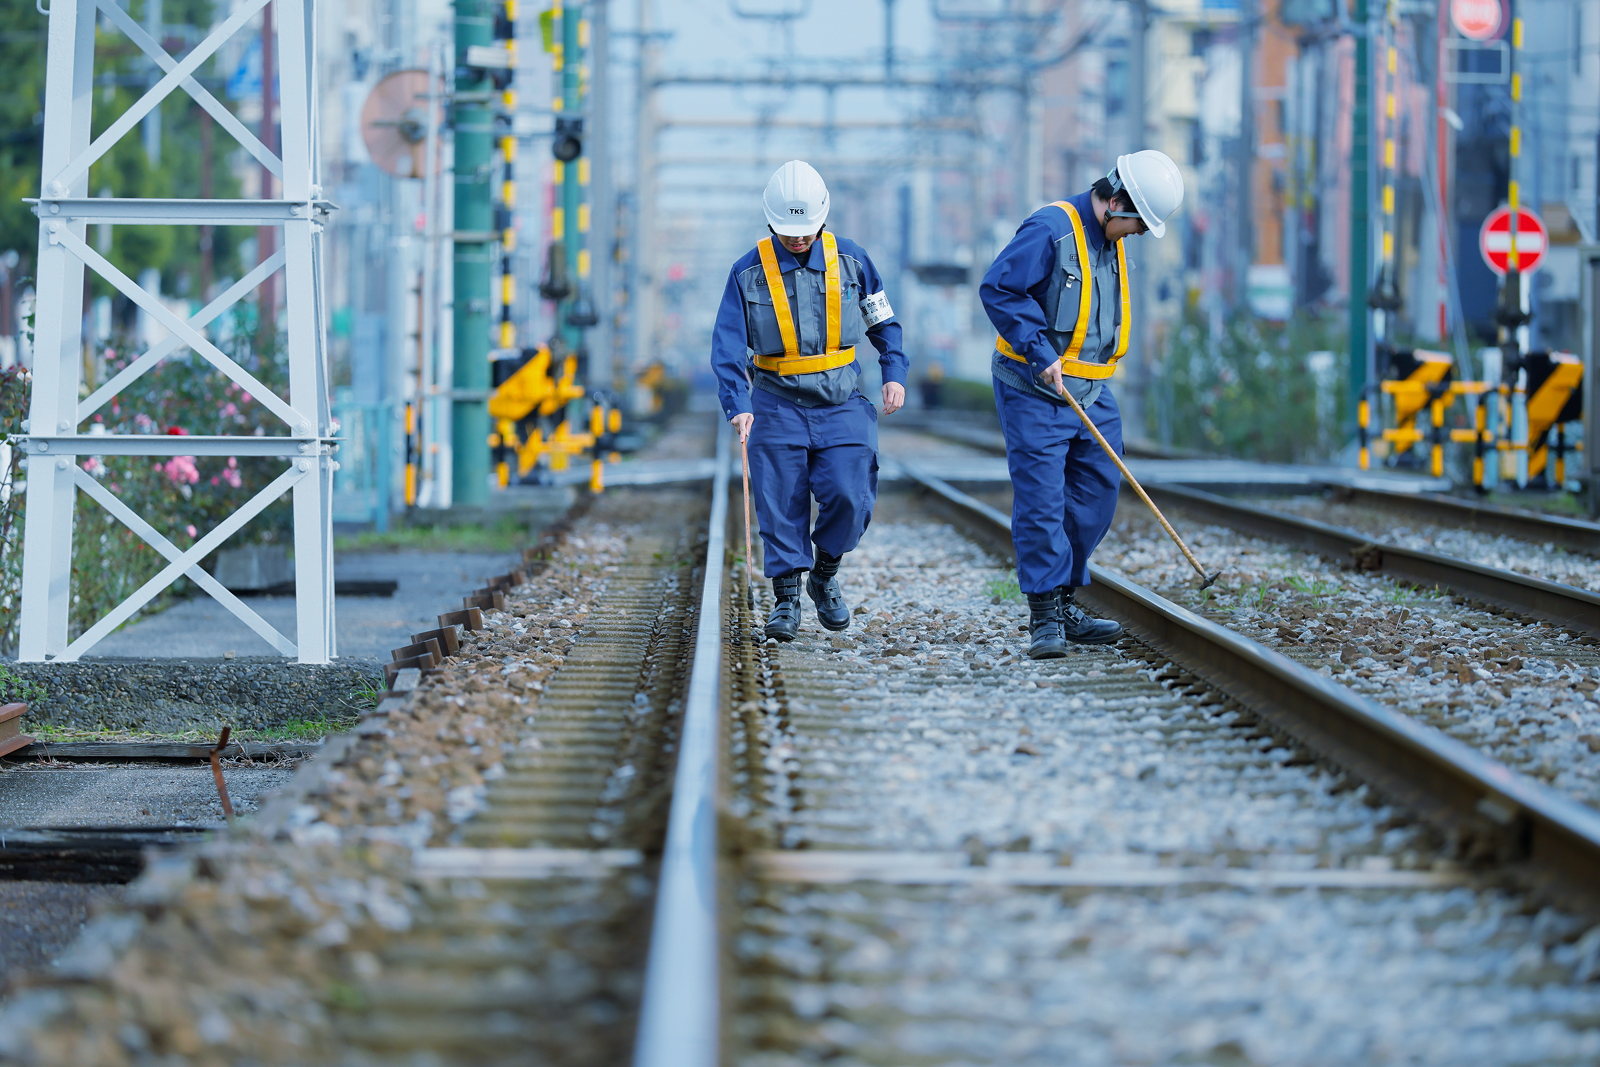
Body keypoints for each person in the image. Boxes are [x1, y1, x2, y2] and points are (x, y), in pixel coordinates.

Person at [979, 150, 1185, 659]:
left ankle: (1065, 598)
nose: (1138, 233)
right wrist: (1037, 348)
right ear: (1115, 202)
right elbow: (1000, 289)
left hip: (1090, 390)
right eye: (1137, 223)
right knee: (1043, 502)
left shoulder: (1111, 239)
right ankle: (1045, 614)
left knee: (1097, 494)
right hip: (1035, 388)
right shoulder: (1050, 229)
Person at [711, 160, 907, 642]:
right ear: (770, 221)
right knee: (780, 503)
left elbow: (883, 322)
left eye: (805, 231)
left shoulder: (855, 261)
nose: (797, 240)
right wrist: (738, 403)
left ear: (822, 218)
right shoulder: (747, 273)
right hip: (776, 404)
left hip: (842, 402)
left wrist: (893, 372)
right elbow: (728, 345)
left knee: (849, 494)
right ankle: (786, 600)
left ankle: (824, 574)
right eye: (787, 232)